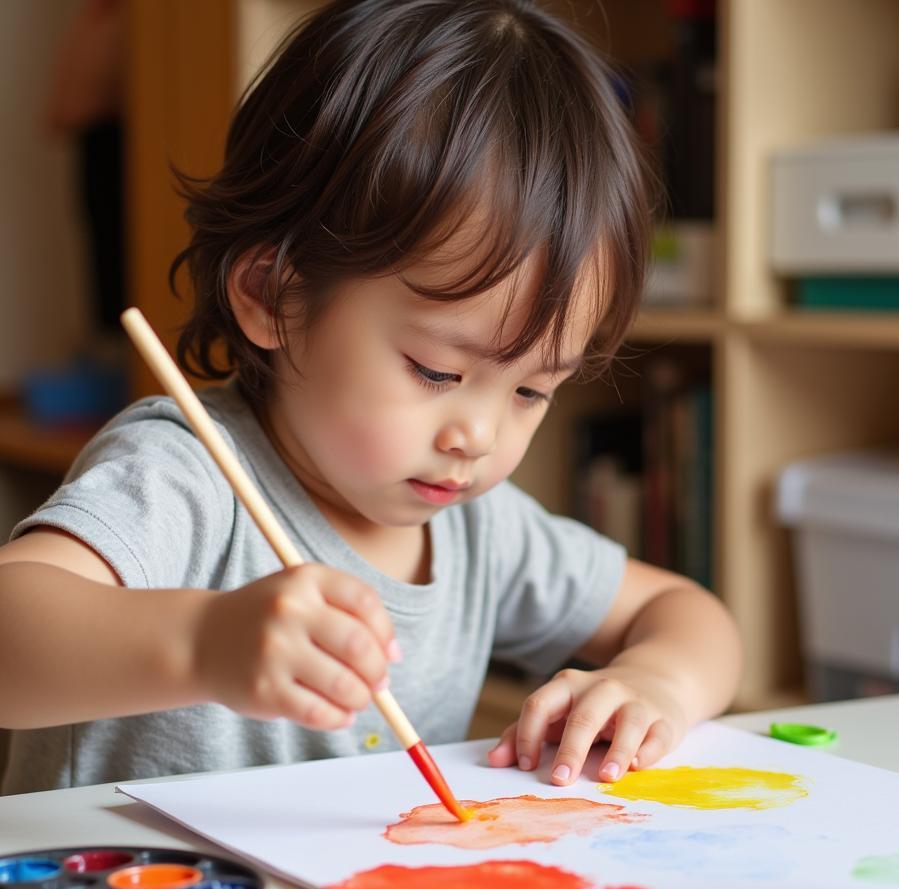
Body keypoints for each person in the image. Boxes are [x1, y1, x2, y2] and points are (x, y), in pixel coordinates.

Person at [0, 0, 740, 796]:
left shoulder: (476, 526)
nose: (479, 434)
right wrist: (203, 644)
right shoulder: (184, 474)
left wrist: (657, 683)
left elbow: (686, 612)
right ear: (275, 295)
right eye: (435, 372)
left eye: (532, 389)